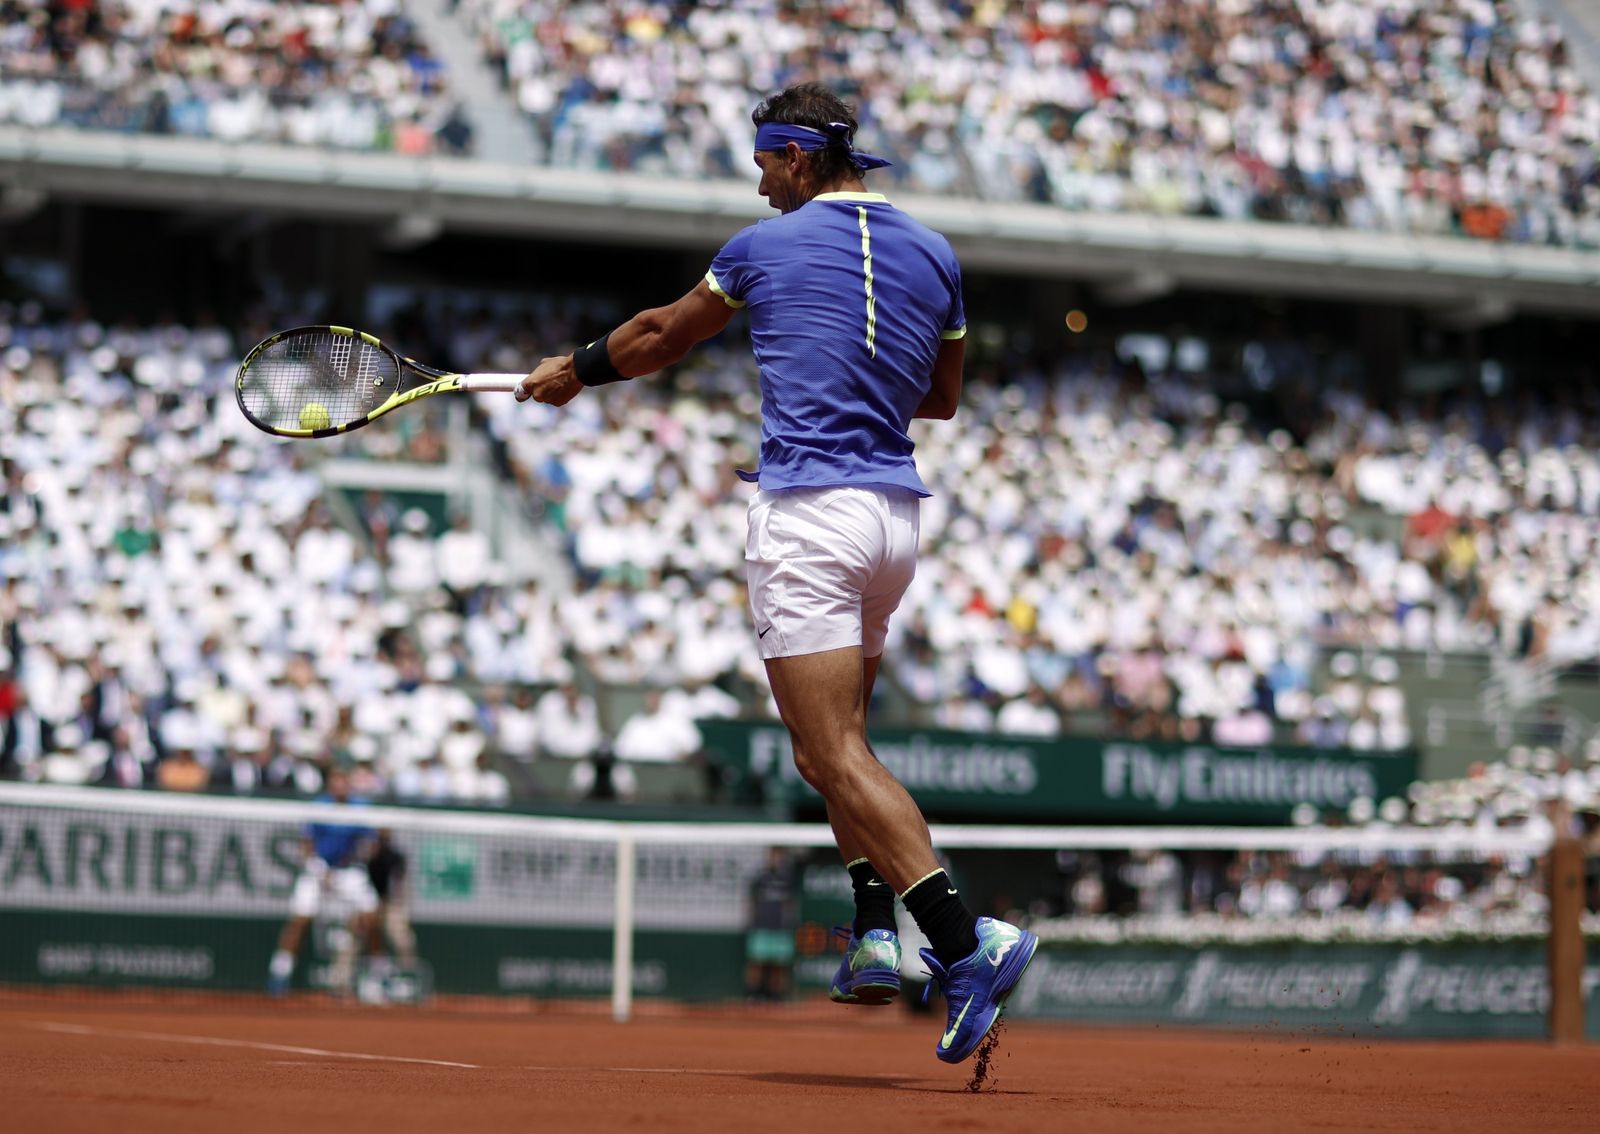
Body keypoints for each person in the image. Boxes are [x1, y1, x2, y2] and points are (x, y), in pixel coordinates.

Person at [517, 82, 1036, 1064]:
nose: (758, 188)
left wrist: (574, 370)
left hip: (809, 517)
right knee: (828, 745)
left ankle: (970, 946)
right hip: (894, 521)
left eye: (762, 165)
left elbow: (661, 336)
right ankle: (874, 931)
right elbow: (942, 397)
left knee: (833, 754)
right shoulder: (935, 253)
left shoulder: (760, 250)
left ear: (797, 155)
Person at [266, 768, 378, 996]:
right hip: (318, 869)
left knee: (371, 915)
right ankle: (280, 972)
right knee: (299, 919)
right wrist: (320, 870)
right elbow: (306, 844)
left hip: (349, 872)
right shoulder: (319, 807)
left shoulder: (361, 807)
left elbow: (372, 843)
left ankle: (374, 973)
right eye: (335, 781)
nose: (339, 785)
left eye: (343, 781)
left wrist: (363, 854)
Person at [744, 847, 799, 1002]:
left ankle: (777, 998)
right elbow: (751, 902)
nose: (775, 859)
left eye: (778, 856)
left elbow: (791, 904)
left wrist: (788, 922)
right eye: (772, 856)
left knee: (779, 964)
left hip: (780, 929)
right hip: (761, 926)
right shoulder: (760, 878)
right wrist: (752, 921)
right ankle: (754, 995)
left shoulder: (788, 879)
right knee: (756, 961)